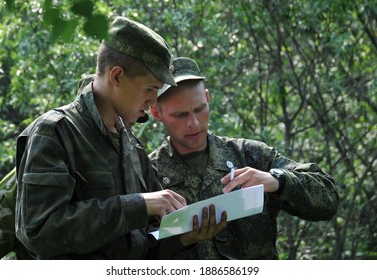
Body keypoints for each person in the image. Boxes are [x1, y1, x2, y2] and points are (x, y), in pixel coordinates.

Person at [15, 17, 224, 260]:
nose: (153, 102)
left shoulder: (131, 145)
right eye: (149, 89)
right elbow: (38, 232)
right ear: (116, 76)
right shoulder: (56, 132)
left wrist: (185, 237)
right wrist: (138, 205)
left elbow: (140, 247)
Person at [149, 57, 340, 259]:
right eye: (180, 115)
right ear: (156, 112)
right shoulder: (149, 174)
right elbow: (135, 253)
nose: (194, 123)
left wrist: (278, 181)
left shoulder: (249, 155)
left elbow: (328, 199)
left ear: (207, 97)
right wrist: (182, 240)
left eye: (199, 109)